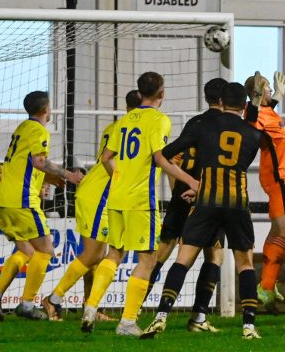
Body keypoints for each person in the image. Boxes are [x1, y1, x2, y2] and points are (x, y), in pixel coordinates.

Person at [140, 82, 266, 340]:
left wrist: (189, 182)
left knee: (182, 260)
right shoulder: (253, 134)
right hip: (236, 204)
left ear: (220, 101)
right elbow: (245, 148)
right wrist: (257, 105)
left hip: (204, 202)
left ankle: (161, 316)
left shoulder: (204, 127)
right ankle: (249, 326)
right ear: (242, 106)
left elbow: (164, 156)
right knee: (245, 265)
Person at [80, 72, 199, 336]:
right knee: (148, 258)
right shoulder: (159, 120)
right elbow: (160, 159)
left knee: (114, 253)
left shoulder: (123, 121)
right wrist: (190, 180)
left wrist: (119, 176)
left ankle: (90, 307)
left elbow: (106, 157)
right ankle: (128, 322)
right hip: (140, 200)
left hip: (117, 196)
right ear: (162, 93)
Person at [41, 90, 142, 322]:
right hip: (100, 194)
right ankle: (53, 300)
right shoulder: (134, 129)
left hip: (92, 191)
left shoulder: (115, 127)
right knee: (95, 253)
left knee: (96, 255)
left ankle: (90, 306)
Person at [144, 78, 227, 332]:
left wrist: (180, 187)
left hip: (180, 194)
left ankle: (135, 309)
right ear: (224, 100)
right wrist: (197, 186)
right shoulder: (225, 125)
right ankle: (197, 318)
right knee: (213, 255)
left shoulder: (194, 122)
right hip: (206, 196)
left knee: (162, 253)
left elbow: (171, 155)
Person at [0, 91, 83, 321]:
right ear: (47, 109)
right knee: (45, 249)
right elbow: (39, 161)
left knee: (26, 251)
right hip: (22, 201)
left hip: (4, 199)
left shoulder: (22, 129)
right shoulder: (38, 130)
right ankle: (26, 304)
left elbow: (24, 165)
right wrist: (67, 174)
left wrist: (47, 179)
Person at [244, 71, 285, 312]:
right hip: (279, 181)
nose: (269, 91)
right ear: (256, 93)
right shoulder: (255, 113)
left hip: (284, 180)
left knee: (280, 231)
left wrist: (276, 96)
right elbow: (250, 123)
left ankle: (268, 284)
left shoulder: (269, 112)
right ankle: (265, 286)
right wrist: (255, 100)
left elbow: (262, 114)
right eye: (266, 88)